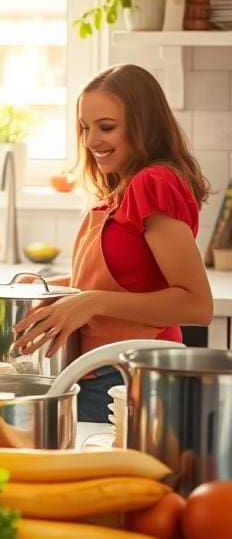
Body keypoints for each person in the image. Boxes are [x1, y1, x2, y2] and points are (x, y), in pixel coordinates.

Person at [12, 64, 213, 422]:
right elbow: (124, 283)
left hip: (131, 374)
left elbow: (196, 305)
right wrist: (48, 289)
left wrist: (91, 302)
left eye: (106, 127)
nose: (90, 142)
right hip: (101, 370)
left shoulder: (153, 182)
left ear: (143, 125)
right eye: (85, 128)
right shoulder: (119, 189)